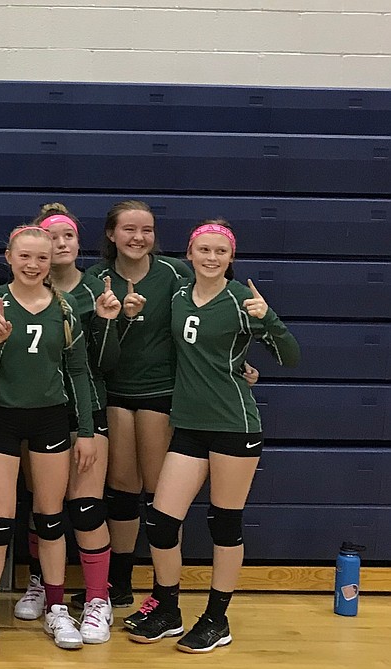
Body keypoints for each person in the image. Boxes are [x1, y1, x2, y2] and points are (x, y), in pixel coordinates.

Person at [128, 220, 299, 652]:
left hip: (233, 425)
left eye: (220, 252)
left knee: (224, 523)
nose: (211, 258)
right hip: (188, 423)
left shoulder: (243, 299)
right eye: (203, 250)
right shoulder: (180, 296)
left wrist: (270, 320)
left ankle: (217, 618)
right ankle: (167, 608)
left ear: (230, 259)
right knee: (162, 521)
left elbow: (291, 356)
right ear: (190, 254)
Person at [0, 226, 97, 659]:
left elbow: (78, 371)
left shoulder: (65, 307)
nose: (33, 264)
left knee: (51, 517)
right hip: (2, 417)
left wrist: (86, 430)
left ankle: (57, 608)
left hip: (50, 419)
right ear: (8, 256)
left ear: (50, 262)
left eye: (41, 258)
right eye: (24, 256)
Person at [11, 205, 121, 647]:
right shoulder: (23, 291)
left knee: (87, 506)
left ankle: (98, 598)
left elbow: (103, 362)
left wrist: (110, 321)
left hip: (85, 411)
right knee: (45, 504)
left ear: (77, 243)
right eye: (50, 237)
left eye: (66, 237)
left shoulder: (97, 289)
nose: (58, 245)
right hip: (42, 411)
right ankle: (41, 581)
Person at [84, 200, 192, 611]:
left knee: (160, 496)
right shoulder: (97, 279)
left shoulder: (174, 274)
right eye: (129, 229)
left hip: (159, 393)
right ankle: (120, 581)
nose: (138, 237)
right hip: (114, 393)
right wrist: (119, 319)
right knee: (123, 491)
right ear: (112, 234)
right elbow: (97, 352)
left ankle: (167, 590)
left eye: (146, 230)